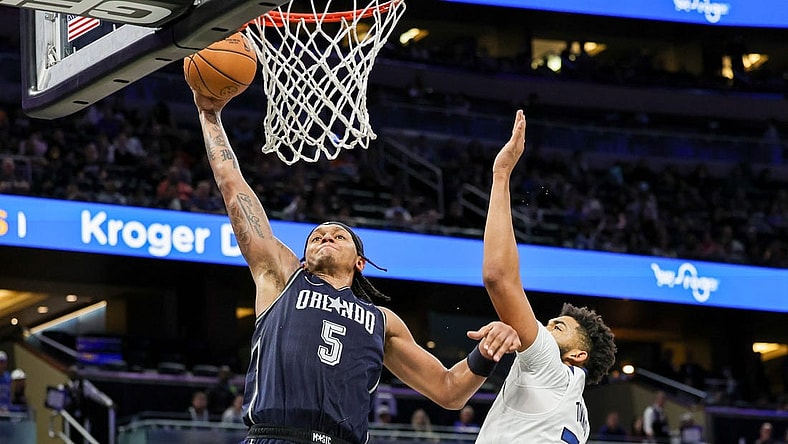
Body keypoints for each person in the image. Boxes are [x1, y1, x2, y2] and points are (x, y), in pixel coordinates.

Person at [190, 88, 521, 444]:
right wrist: (210, 117)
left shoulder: (382, 320)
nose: (325, 237)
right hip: (275, 435)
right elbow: (230, 182)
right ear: (303, 259)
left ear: (359, 262)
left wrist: (485, 354)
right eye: (316, 237)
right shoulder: (283, 278)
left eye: (338, 236)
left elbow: (448, 390)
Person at [474, 110, 617, 444]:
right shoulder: (580, 416)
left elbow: (498, 276)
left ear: (578, 355)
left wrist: (501, 174)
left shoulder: (550, 366)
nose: (543, 327)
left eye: (558, 327)